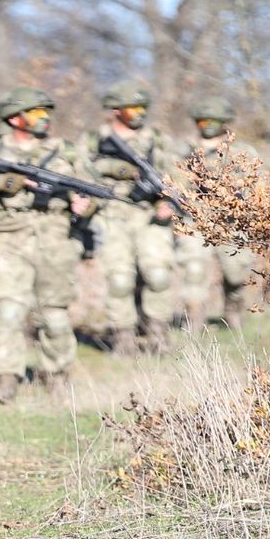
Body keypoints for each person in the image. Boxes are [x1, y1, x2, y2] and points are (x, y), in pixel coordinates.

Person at [0, 87, 97, 402]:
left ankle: (57, 378)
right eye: (36, 113)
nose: (44, 119)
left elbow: (93, 194)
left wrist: (86, 207)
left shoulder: (67, 152)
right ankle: (4, 380)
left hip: (56, 240)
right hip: (7, 241)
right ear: (14, 118)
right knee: (6, 312)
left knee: (54, 315)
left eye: (46, 113)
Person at [82, 81, 180, 354]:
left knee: (159, 275)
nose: (139, 113)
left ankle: (158, 335)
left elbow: (176, 174)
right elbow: (81, 171)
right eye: (132, 108)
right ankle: (123, 338)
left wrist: (168, 202)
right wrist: (117, 169)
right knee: (120, 280)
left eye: (142, 107)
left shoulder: (157, 139)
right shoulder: (94, 140)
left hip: (149, 216)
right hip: (111, 216)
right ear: (115, 110)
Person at [177, 95, 259, 329]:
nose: (208, 126)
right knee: (193, 269)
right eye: (203, 121)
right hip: (195, 217)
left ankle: (232, 316)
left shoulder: (242, 151)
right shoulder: (183, 150)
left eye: (214, 120)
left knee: (236, 274)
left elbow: (255, 185)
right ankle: (194, 322)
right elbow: (172, 181)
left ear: (225, 122)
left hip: (231, 219)